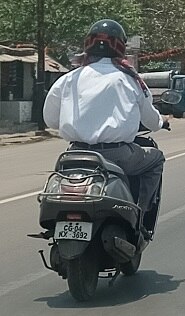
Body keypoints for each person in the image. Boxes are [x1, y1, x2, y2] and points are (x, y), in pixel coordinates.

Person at [43, 19, 169, 236]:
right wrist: (162, 122)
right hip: (118, 155)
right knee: (156, 158)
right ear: (121, 47)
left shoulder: (69, 79)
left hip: (75, 154)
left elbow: (51, 120)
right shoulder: (130, 79)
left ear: (88, 45)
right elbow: (151, 120)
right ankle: (141, 213)